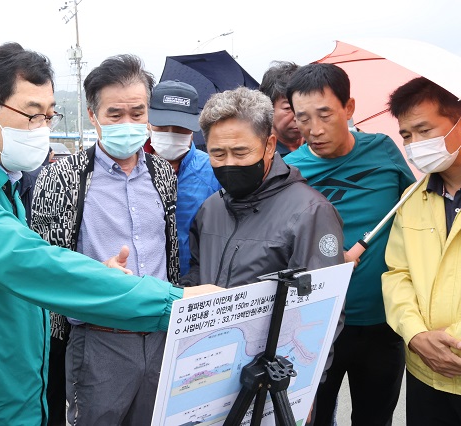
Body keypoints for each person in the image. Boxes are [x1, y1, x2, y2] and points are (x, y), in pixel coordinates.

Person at [0, 42, 218, 426]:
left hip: (8, 384)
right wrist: (171, 301)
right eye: (32, 115)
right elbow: (29, 262)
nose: (42, 129)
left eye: (49, 116)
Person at [31, 54, 180, 426]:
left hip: (162, 334)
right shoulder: (63, 178)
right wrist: (97, 275)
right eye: (115, 114)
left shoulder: (162, 173)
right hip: (99, 341)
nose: (128, 123)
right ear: (93, 115)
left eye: (138, 112)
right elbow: (43, 269)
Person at [284, 63, 415, 426]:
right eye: (303, 118)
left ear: (349, 107)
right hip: (315, 325)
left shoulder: (384, 151)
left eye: (325, 114)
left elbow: (412, 208)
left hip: (382, 322)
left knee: (375, 418)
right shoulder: (289, 171)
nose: (315, 130)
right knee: (314, 418)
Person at [180, 86, 344, 287]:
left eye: (240, 153)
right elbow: (199, 269)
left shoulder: (311, 213)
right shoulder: (210, 209)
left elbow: (320, 303)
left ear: (269, 146)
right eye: (218, 154)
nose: (230, 163)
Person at [383, 77, 461, 425]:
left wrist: (452, 343)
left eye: (424, 130)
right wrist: (414, 335)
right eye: (406, 135)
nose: (414, 145)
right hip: (424, 371)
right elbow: (397, 274)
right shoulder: (412, 199)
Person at [147, 79, 221, 275]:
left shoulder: (214, 171)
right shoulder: (132, 169)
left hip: (196, 283)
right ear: (149, 122)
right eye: (163, 126)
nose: (171, 134)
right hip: (146, 282)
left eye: (180, 128)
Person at [259, 61, 304, 157]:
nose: (298, 117)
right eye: (288, 108)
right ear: (268, 108)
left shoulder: (319, 146)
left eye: (304, 107)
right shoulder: (263, 153)